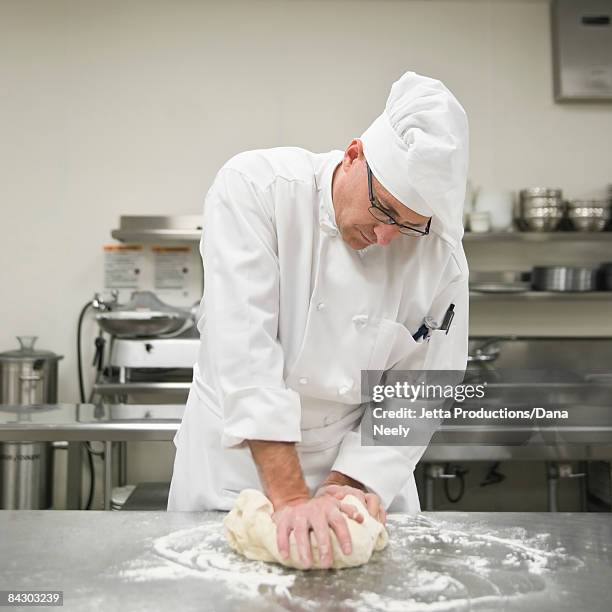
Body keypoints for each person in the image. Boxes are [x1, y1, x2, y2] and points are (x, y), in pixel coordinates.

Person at [168, 71, 470, 569]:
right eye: (382, 209)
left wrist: (349, 482)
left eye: (409, 226)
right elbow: (243, 347)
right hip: (237, 468)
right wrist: (288, 497)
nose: (386, 236)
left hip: (360, 476)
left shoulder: (440, 257)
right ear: (353, 155)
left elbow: (420, 387)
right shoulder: (258, 188)